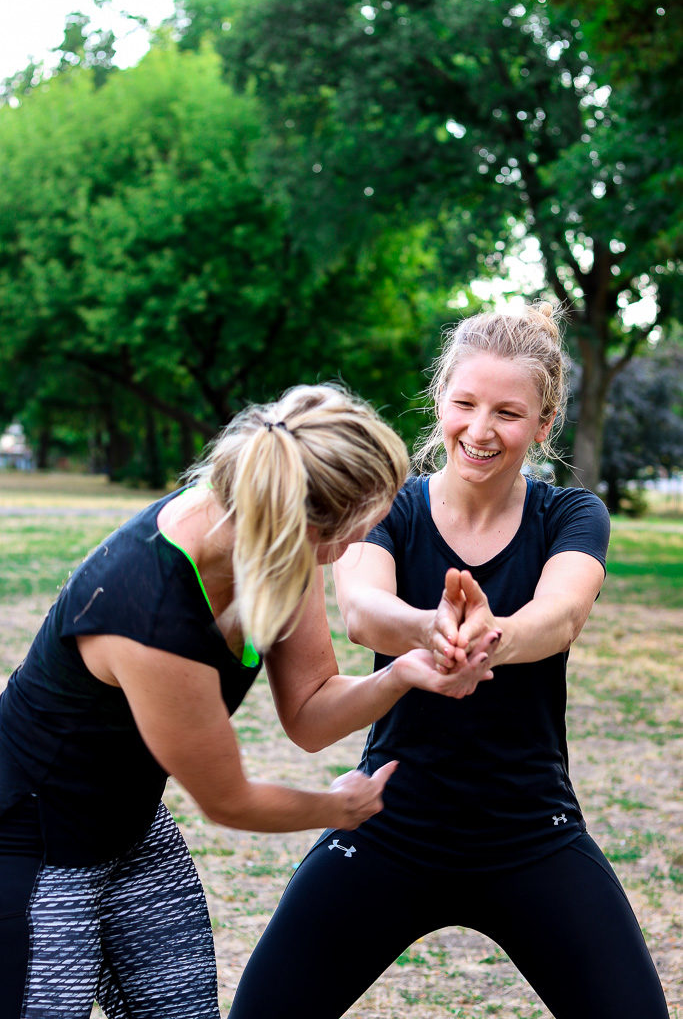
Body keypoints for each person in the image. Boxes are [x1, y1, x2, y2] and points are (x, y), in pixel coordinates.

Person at [228, 305, 670, 1019]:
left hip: (530, 830)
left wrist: (491, 634)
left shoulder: (570, 514)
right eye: (464, 403)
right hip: (387, 823)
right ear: (439, 399)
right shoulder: (390, 507)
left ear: (544, 424)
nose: (480, 428)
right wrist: (430, 628)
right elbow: (362, 609)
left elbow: (558, 615)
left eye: (507, 412)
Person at [0, 384, 491, 1019]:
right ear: (303, 521)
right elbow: (228, 799)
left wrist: (401, 674)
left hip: (131, 826)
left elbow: (311, 714)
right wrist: (336, 807)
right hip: (35, 846)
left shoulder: (273, 544)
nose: (352, 548)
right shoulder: (148, 612)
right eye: (351, 532)